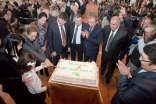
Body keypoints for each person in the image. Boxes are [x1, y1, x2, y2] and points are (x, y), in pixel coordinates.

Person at [0, 34, 36, 104]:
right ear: (12, 45)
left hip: (21, 84)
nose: (21, 47)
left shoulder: (15, 51)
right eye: (19, 45)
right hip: (14, 88)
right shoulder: (2, 59)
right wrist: (21, 79)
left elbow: (18, 65)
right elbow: (3, 80)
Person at [100, 16, 128, 84]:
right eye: (110, 23)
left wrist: (116, 49)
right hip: (104, 51)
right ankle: (102, 71)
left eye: (113, 24)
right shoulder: (106, 28)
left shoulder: (124, 33)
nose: (111, 26)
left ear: (118, 24)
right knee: (103, 63)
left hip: (114, 54)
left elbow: (124, 45)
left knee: (111, 67)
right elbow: (104, 39)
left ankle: (108, 77)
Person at [30, 12, 51, 76]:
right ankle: (40, 71)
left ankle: (46, 71)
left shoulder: (47, 25)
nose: (43, 22)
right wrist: (39, 47)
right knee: (36, 60)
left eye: (45, 20)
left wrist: (44, 46)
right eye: (42, 20)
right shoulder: (32, 25)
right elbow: (31, 38)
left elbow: (47, 36)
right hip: (35, 47)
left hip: (44, 46)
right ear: (38, 19)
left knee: (45, 58)